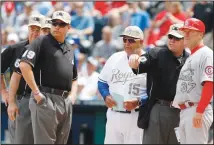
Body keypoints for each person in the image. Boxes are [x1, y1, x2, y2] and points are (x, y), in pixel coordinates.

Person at [19, 11, 78, 144]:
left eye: (61, 24)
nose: (57, 26)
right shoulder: (41, 41)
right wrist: (36, 93)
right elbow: (24, 65)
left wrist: (72, 96)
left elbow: (74, 78)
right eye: (54, 23)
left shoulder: (69, 47)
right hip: (46, 97)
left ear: (68, 27)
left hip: (65, 100)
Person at [128, 23, 189, 144]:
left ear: (185, 40)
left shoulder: (190, 58)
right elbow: (141, 62)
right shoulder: (157, 53)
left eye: (176, 38)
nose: (172, 40)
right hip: (160, 108)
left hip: (182, 111)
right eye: (170, 37)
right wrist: (135, 60)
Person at [98, 26, 148, 144]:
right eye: (124, 40)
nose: (127, 43)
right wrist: (106, 95)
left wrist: (139, 102)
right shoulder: (115, 57)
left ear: (141, 42)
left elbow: (155, 92)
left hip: (136, 116)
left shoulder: (149, 61)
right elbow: (102, 82)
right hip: (114, 114)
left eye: (131, 40)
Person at [1, 14, 43, 144]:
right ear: (28, 29)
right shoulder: (15, 49)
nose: (35, 33)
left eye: (38, 30)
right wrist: (4, 92)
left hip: (41, 102)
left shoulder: (47, 51)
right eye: (32, 29)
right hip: (20, 100)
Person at [173, 18, 213, 144]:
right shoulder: (192, 55)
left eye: (190, 31)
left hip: (196, 109)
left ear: (201, 34)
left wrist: (200, 111)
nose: (186, 34)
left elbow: (209, 83)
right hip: (186, 111)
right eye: (185, 31)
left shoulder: (206, 54)